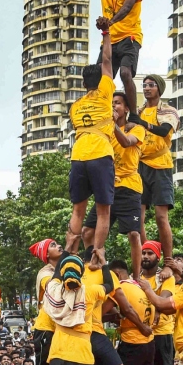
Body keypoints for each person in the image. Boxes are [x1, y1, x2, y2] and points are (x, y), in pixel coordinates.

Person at [64, 19, 115, 260]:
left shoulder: (75, 107)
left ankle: (68, 252)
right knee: (103, 211)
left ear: (84, 83)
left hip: (78, 156)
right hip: (100, 154)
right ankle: (97, 253)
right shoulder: (105, 93)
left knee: (78, 209)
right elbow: (107, 61)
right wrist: (106, 33)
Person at [81, 91, 146, 276]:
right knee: (86, 232)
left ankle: (136, 276)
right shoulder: (104, 132)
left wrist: (112, 124)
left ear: (126, 108)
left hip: (129, 188)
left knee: (134, 234)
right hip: (107, 188)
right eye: (111, 103)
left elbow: (126, 142)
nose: (114, 106)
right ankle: (95, 266)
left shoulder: (136, 129)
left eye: (117, 103)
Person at [134, 75, 178, 261]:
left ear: (159, 88)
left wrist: (141, 123)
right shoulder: (139, 110)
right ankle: (146, 255)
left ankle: (168, 260)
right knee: (138, 217)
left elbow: (164, 130)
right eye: (144, 85)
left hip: (161, 166)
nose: (147, 88)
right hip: (140, 165)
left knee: (161, 217)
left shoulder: (168, 111)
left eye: (151, 85)